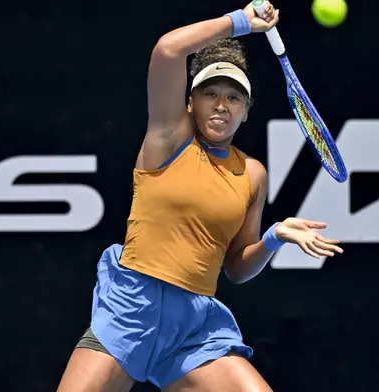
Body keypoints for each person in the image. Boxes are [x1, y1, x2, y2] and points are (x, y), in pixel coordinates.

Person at [57, 1, 343, 391]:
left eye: (234, 97)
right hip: (131, 310)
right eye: (210, 93)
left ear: (246, 111)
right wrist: (240, 22)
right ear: (190, 102)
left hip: (193, 327)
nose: (222, 105)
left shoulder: (253, 174)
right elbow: (168, 50)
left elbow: (237, 268)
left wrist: (275, 237)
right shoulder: (168, 139)